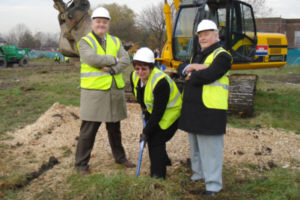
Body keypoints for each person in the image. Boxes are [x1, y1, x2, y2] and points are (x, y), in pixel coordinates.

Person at [75, 7, 135, 175]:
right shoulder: (85, 42)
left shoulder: (115, 41)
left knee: (115, 129)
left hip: (113, 91)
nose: (101, 24)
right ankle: (81, 164)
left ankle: (120, 157)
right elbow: (91, 59)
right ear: (92, 23)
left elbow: (125, 60)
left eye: (104, 22)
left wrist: (111, 69)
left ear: (108, 24)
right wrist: (113, 59)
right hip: (94, 93)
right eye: (98, 21)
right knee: (88, 130)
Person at [177, 19, 232, 196]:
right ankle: (199, 174)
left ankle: (213, 185)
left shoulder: (223, 55)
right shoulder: (197, 55)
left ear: (216, 35)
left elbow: (210, 75)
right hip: (194, 109)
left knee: (211, 151)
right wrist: (192, 67)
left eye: (206, 34)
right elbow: (180, 67)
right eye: (200, 35)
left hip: (211, 110)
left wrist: (193, 72)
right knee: (196, 147)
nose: (203, 38)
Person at [130, 47, 182, 179]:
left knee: (155, 140)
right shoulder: (134, 77)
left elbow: (158, 113)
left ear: (151, 67)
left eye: (144, 69)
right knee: (152, 133)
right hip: (154, 111)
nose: (140, 72)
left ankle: (158, 176)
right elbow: (140, 96)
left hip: (171, 113)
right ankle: (165, 160)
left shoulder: (161, 82)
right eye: (137, 68)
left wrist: (146, 132)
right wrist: (145, 111)